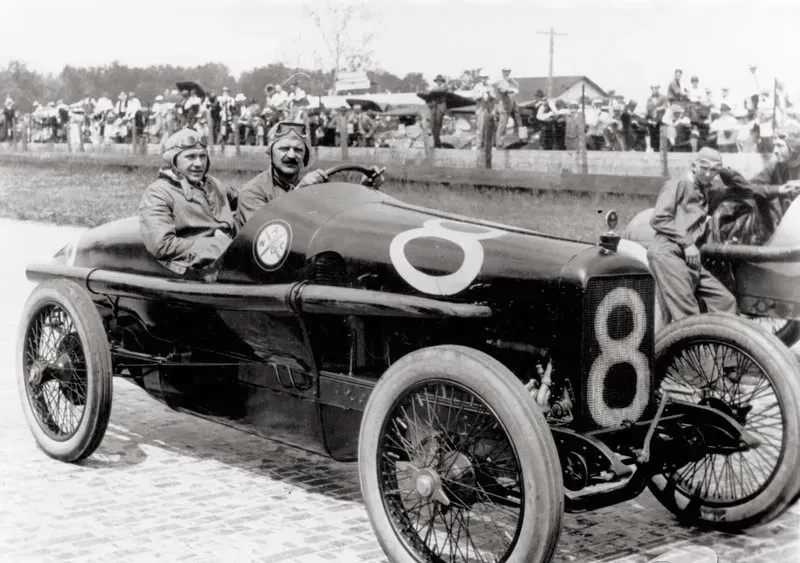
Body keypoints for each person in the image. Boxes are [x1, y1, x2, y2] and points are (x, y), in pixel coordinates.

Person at [647, 147, 796, 321]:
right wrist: (687, 244)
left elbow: (745, 189)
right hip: (669, 252)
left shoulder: (705, 189)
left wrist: (722, 169)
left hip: (690, 257)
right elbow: (659, 218)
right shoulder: (677, 184)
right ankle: (692, 346)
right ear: (693, 166)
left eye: (713, 170)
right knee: (688, 314)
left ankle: (731, 345)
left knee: (726, 302)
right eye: (704, 168)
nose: (709, 174)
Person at [235, 121, 386, 227]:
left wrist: (364, 189)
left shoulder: (317, 185)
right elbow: (268, 235)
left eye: (299, 150)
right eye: (284, 149)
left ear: (305, 157)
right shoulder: (252, 192)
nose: (292, 155)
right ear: (271, 153)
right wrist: (299, 192)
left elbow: (340, 218)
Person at [139, 128, 238, 275]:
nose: (198, 164)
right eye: (190, 157)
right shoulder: (158, 193)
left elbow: (244, 204)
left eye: (202, 156)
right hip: (196, 271)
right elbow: (161, 245)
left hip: (235, 263)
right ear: (174, 161)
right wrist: (218, 246)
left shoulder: (216, 185)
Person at [495, 68, 521, 144]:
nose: (507, 73)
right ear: (502, 72)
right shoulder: (500, 82)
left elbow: (518, 86)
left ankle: (518, 138)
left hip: (511, 105)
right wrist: (511, 90)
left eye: (508, 72)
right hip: (504, 107)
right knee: (502, 126)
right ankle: (499, 143)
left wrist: (512, 81)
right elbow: (503, 90)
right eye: (506, 72)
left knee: (516, 121)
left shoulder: (509, 81)